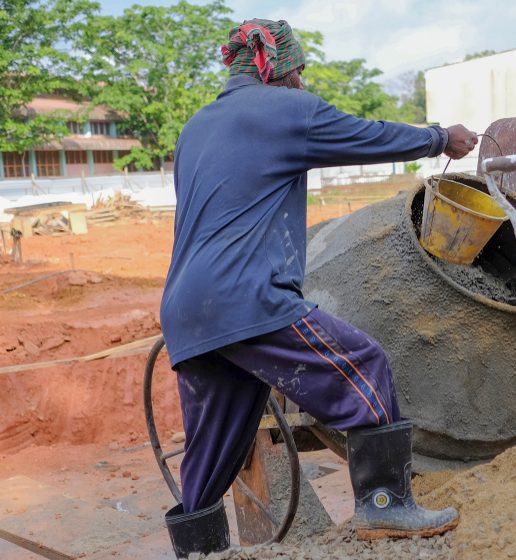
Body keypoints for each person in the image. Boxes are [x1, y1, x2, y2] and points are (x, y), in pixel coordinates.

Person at [159, 19, 478, 558]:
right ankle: (385, 506)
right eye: (299, 69)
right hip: (247, 296)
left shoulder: (195, 127)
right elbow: (367, 135)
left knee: (211, 449)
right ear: (277, 67)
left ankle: (197, 552)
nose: (302, 80)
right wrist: (441, 138)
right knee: (365, 366)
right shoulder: (285, 110)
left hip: (185, 310)